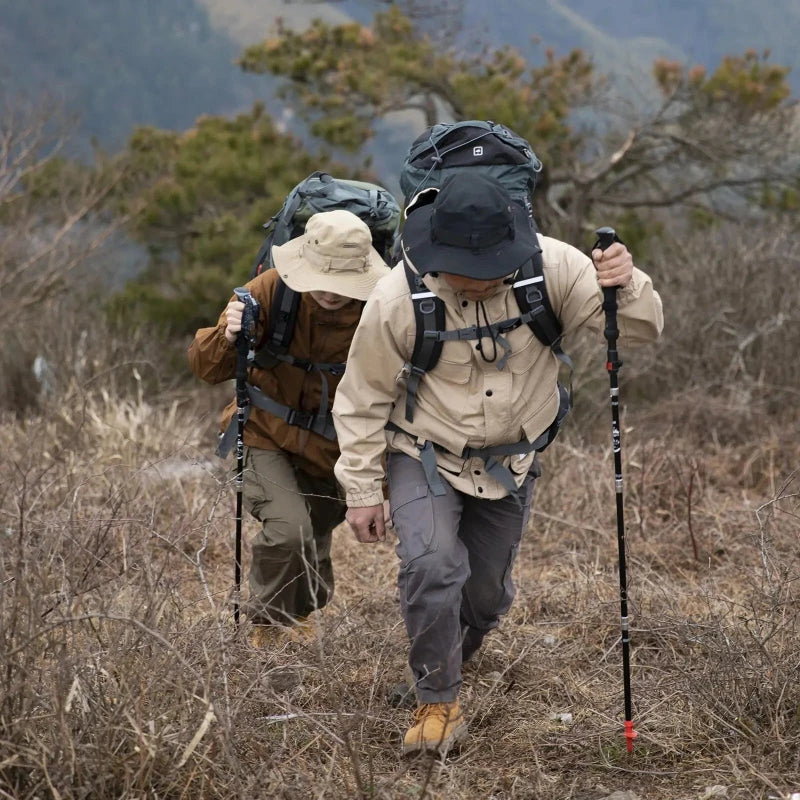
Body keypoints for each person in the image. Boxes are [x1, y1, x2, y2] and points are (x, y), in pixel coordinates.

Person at [331, 172, 663, 755]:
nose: (480, 281)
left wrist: (625, 283)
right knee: (432, 565)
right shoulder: (397, 295)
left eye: (491, 269)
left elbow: (635, 332)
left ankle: (449, 652)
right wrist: (361, 489)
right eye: (465, 269)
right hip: (423, 451)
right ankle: (437, 701)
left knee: (484, 595)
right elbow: (361, 398)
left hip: (510, 461)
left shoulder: (552, 268)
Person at [188, 209, 390, 646]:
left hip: (334, 447)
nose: (330, 293)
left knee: (312, 534)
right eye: (321, 279)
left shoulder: (384, 303)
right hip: (265, 431)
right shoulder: (270, 290)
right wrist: (228, 335)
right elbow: (206, 368)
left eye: (341, 283)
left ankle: (301, 612)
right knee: (289, 530)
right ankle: (268, 626)